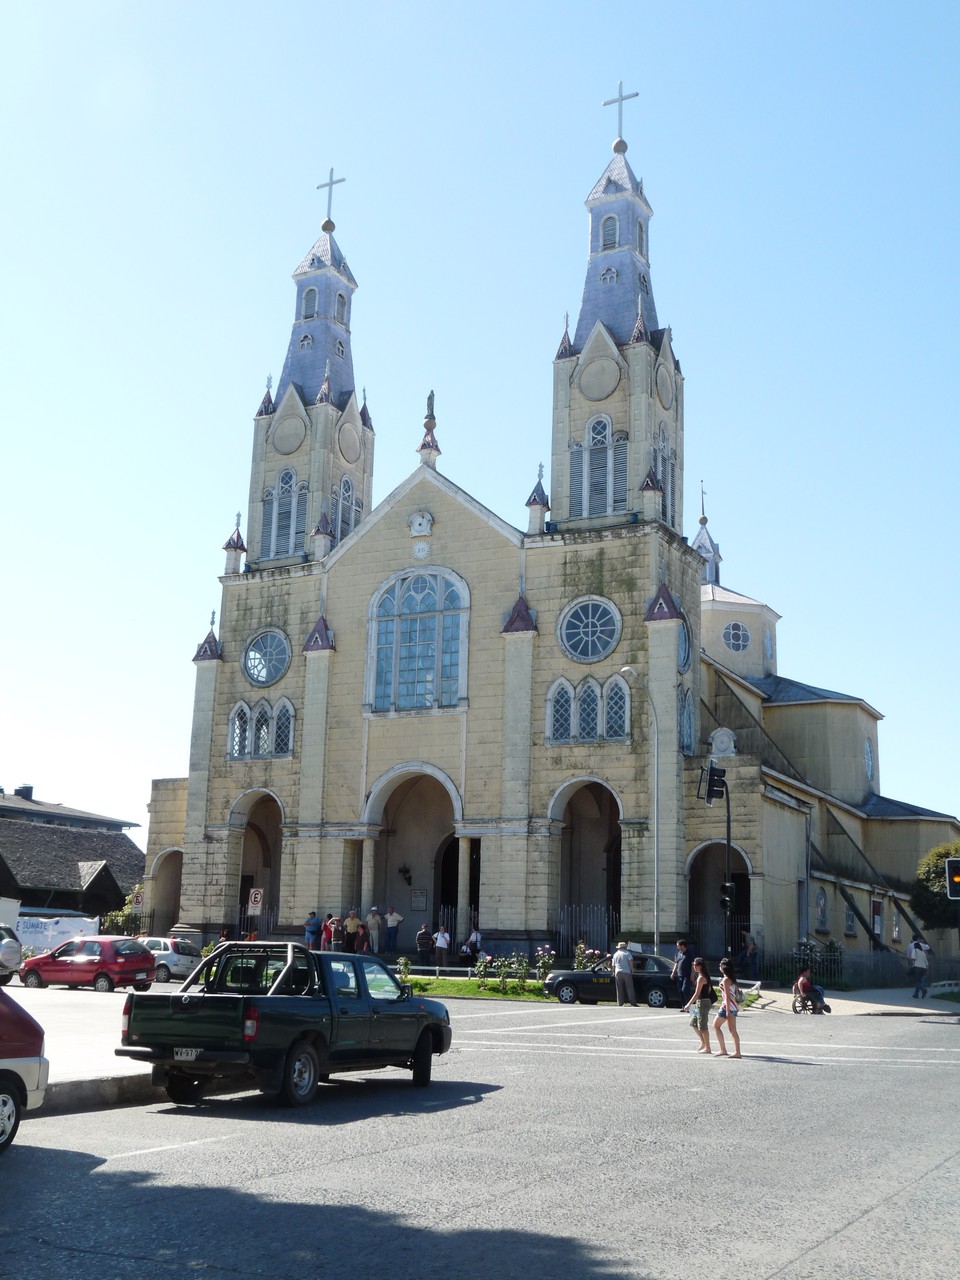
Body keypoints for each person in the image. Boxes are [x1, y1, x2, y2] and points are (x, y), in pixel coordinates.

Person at [683, 957, 715, 1053]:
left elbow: (697, 993)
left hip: (703, 1003)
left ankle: (708, 1047)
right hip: (700, 1003)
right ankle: (703, 1042)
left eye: (695, 965)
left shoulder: (701, 978)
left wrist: (688, 1004)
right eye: (693, 965)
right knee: (694, 1023)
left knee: (702, 1025)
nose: (694, 967)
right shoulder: (702, 976)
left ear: (700, 966)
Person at [713, 957, 742, 1057]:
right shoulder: (732, 978)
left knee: (716, 1026)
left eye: (720, 965)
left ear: (723, 967)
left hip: (727, 1007)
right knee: (732, 1030)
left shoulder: (726, 980)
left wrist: (727, 1012)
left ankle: (724, 1050)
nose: (719, 967)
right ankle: (736, 1051)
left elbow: (727, 996)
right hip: (734, 1007)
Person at [611, 941, 637, 1007]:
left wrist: (613, 972)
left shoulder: (615, 954)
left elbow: (613, 965)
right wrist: (632, 970)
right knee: (629, 987)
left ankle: (620, 1003)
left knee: (619, 988)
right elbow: (631, 961)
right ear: (625, 947)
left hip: (618, 972)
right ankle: (632, 1002)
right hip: (626, 971)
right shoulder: (627, 953)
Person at [907, 934, 932, 999]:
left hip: (916, 967)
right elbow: (926, 961)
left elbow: (911, 957)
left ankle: (923, 990)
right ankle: (916, 994)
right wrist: (923, 942)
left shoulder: (912, 947)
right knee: (920, 980)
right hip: (924, 968)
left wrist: (910, 960)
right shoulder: (923, 952)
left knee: (917, 981)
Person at [671, 938, 693, 1004]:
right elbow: (676, 964)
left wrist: (692, 974)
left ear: (682, 945)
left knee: (685, 990)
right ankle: (683, 1006)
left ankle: (689, 1004)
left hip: (687, 975)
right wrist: (673, 973)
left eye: (678, 946)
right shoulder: (678, 954)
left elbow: (692, 964)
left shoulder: (689, 953)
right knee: (680, 991)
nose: (677, 947)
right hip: (679, 975)